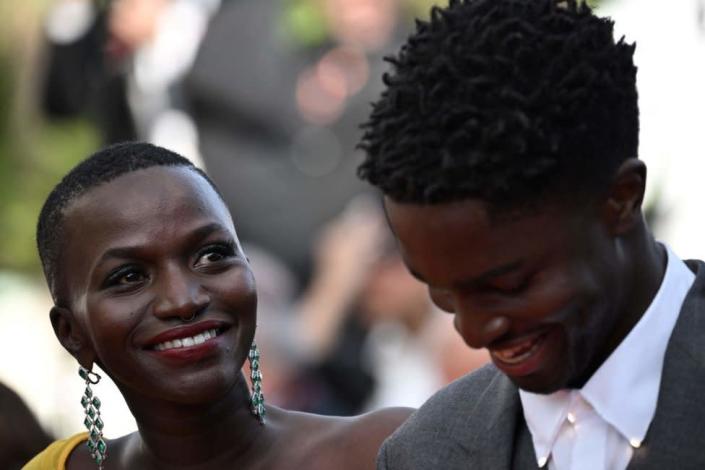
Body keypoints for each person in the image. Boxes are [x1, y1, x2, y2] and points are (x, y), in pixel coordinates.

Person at [357, 0, 705, 468]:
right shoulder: (422, 453)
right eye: (441, 291)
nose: (474, 331)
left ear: (620, 199)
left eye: (508, 285)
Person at [24, 142, 410, 469]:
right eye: (128, 277)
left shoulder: (390, 451)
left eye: (211, 255)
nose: (184, 300)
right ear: (72, 334)